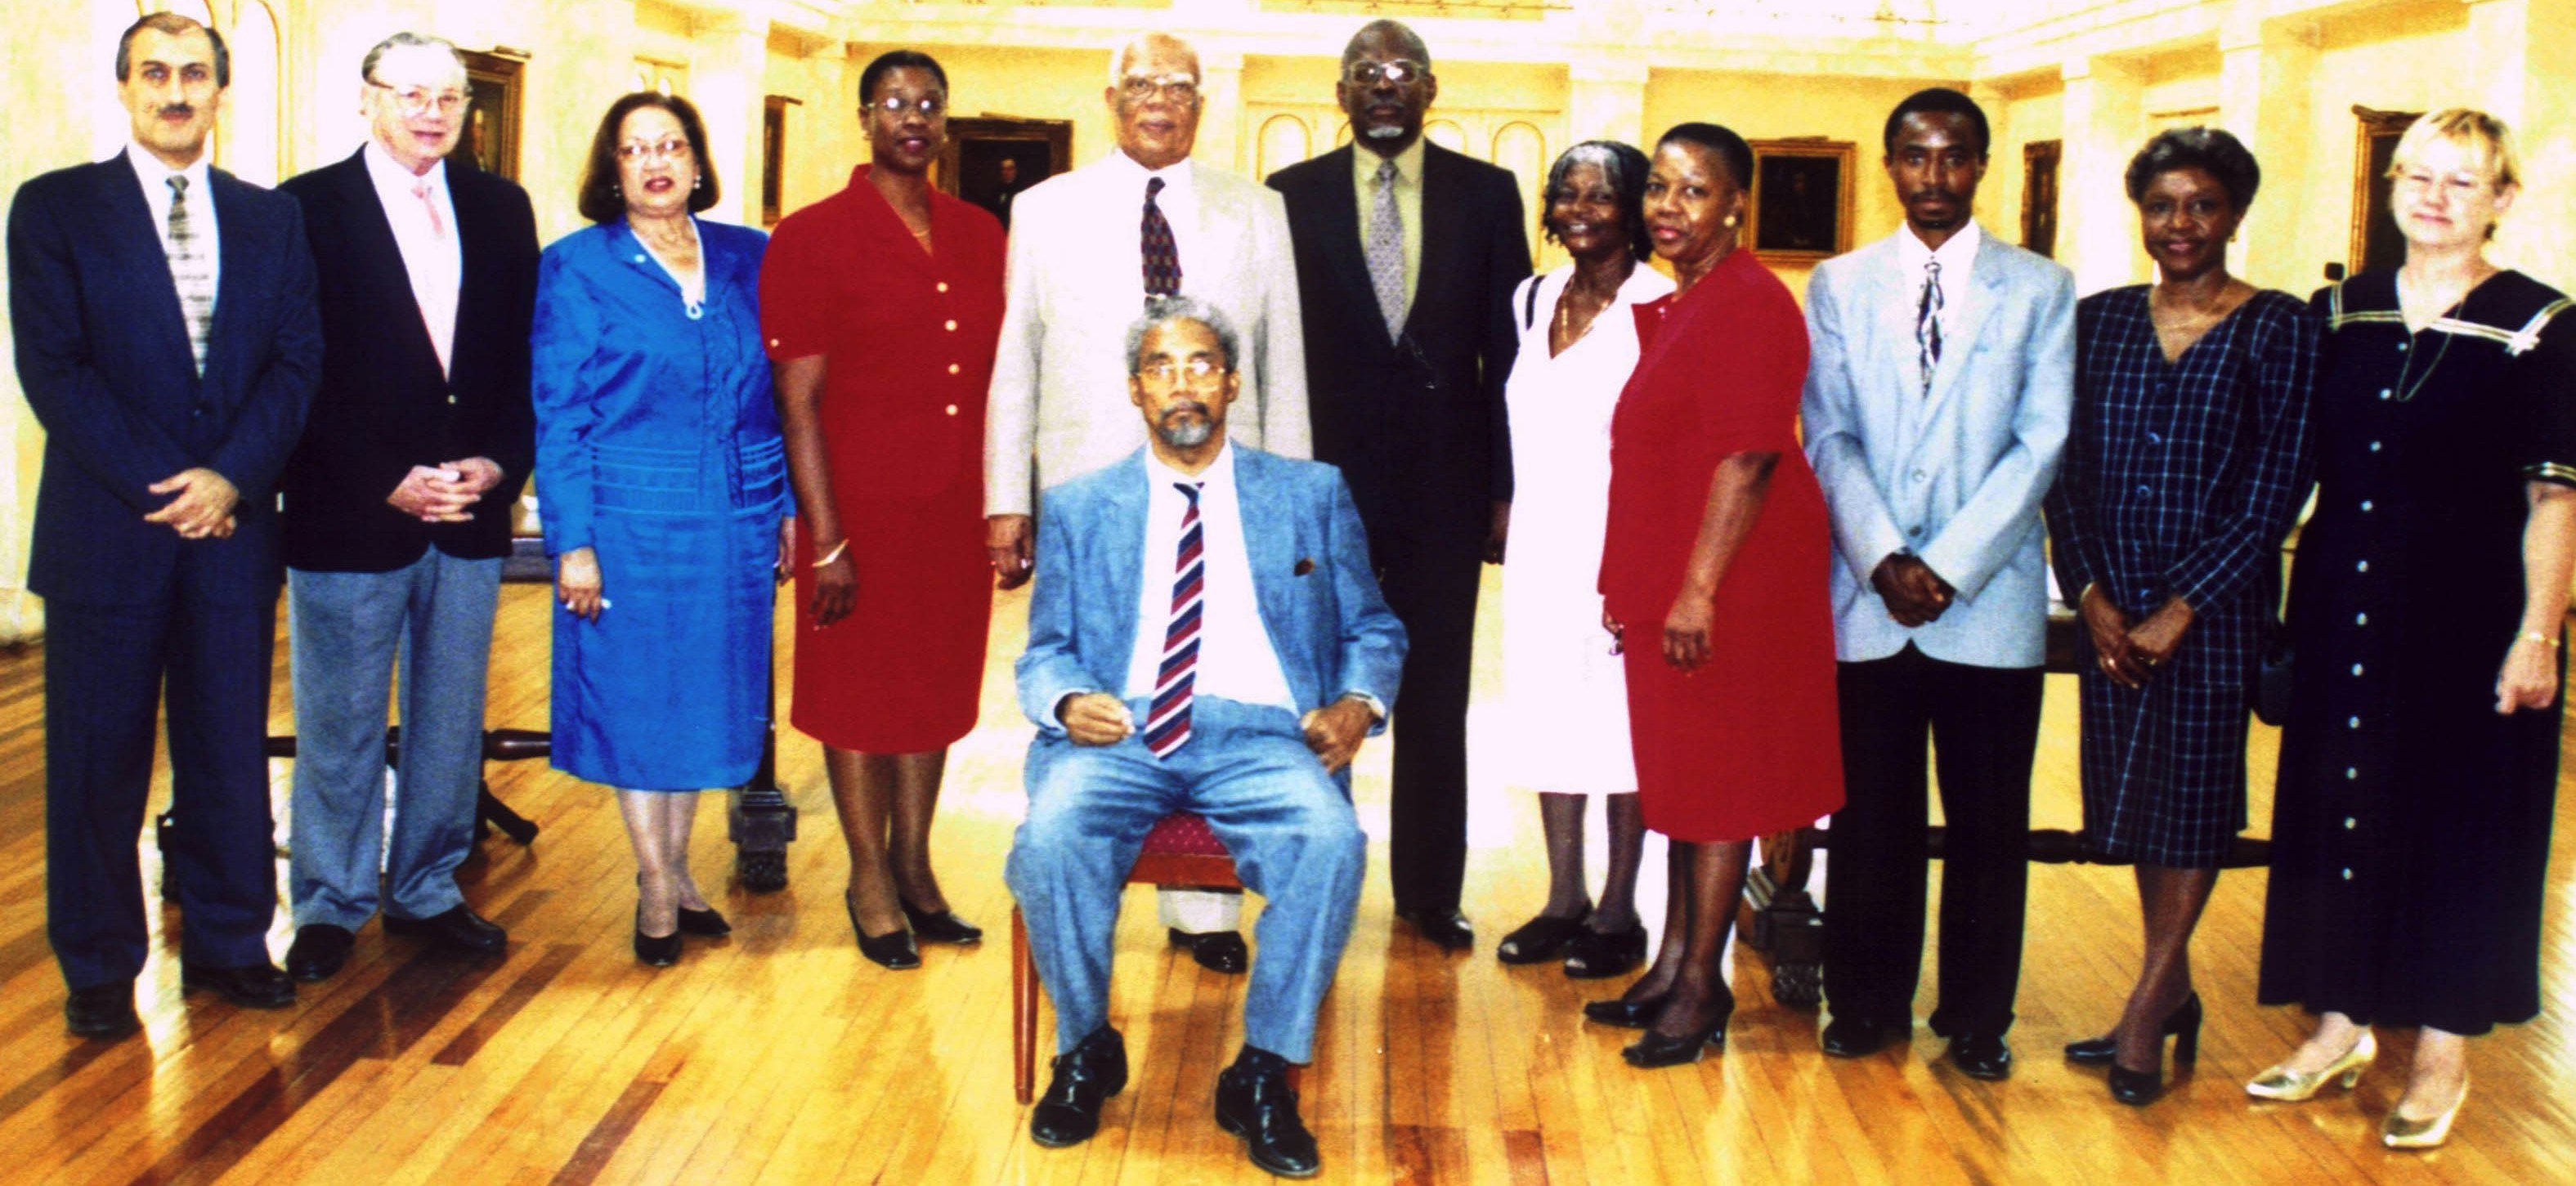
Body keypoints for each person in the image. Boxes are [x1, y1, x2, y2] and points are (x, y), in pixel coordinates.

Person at [1006, 299, 1402, 1178]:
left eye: (1199, 364)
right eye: (1160, 365)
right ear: (1136, 391)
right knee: (1052, 834)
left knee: (1328, 839)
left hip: (1263, 733)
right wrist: (1067, 699)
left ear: (1230, 382)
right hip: (1123, 729)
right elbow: (1046, 648)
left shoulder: (1309, 493)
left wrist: (1358, 704)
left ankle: (1262, 1071)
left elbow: (1373, 627)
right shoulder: (1080, 505)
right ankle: (1086, 1045)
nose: (1180, 381)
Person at [2252, 109, 2576, 1150]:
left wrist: (2539, 634)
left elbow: (2555, 500)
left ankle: (2440, 1054)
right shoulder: (2338, 311)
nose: (2434, 199)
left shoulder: (2542, 324)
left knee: (2462, 832)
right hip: (2344, 607)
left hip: (2470, 625)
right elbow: (2288, 468)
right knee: (2339, 809)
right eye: (2416, 178)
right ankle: (2338, 1026)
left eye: (2462, 182)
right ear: (2392, 188)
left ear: (2502, 200)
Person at [9, 11, 320, 1036]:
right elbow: (56, 369)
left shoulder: (271, 219)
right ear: (125, 87)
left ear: (221, 90)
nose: (176, 90)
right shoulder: (55, 210)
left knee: (228, 745)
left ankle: (234, 940)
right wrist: (174, 483)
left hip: (234, 533)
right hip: (109, 531)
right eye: (156, 72)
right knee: (97, 758)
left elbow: (294, 365)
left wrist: (229, 478)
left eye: (195, 73)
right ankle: (99, 962)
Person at [985, 32, 1309, 973]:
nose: (1158, 100)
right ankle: (1080, 882)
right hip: (1091, 500)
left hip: (1226, 492)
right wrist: (1007, 498)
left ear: (1200, 102)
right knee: (1093, 688)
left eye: (1177, 85)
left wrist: (1293, 504)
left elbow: (1279, 361)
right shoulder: (1044, 210)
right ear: (1110, 97)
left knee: (1215, 682)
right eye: (1140, 85)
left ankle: (1203, 909)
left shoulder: (1258, 211)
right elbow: (1017, 362)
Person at [1800, 87, 2074, 1081]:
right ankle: (1864, 1000)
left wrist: (1947, 565)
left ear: (1981, 164)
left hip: (1986, 600)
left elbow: (2039, 442)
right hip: (1867, 600)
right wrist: (1881, 555)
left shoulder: (2040, 287)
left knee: (1987, 822)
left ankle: (1975, 1015)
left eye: (1954, 157)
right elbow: (1826, 431)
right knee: (1869, 817)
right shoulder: (1839, 284)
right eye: (1914, 157)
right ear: (1889, 164)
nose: (1934, 178)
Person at [2041, 127, 2318, 1105]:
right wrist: (2092, 597)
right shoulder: (2100, 321)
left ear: (2234, 213)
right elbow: (2062, 472)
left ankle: (2147, 1008)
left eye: (2201, 205)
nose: (2180, 224)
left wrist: (2183, 607)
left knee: (2195, 806)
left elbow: (2276, 487)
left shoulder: (2279, 326)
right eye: (2162, 206)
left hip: (2215, 614)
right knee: (2136, 806)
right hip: (2112, 608)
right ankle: (2173, 985)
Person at [274, 33, 538, 981]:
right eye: (410, 94)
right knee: (340, 720)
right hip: (350, 511)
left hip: (468, 510)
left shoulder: (502, 209)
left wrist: (498, 461)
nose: (432, 114)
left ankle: (426, 884)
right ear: (368, 100)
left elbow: (519, 365)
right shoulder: (302, 211)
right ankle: (330, 901)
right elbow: (294, 371)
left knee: (448, 713)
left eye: (450, 98)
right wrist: (385, 471)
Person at [1579, 124, 1843, 1066]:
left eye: (1695, 191)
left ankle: (1701, 987)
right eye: (1658, 186)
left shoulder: (1747, 301)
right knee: (1684, 779)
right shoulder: (1690, 297)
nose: (1667, 206)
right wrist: (1636, 583)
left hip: (1734, 579)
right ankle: (1672, 960)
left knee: (1722, 786)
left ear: (1737, 203)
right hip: (1681, 573)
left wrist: (1695, 592)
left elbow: (1748, 454)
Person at [1268, 19, 1530, 951]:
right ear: (1338, 92)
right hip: (1320, 493)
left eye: (1402, 72)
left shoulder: (1487, 194)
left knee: (1434, 691)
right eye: (1365, 73)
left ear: (1430, 89)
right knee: (1312, 682)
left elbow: (1509, 359)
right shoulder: (1287, 196)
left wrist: (1507, 488)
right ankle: (1311, 871)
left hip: (1445, 489)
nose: (1384, 86)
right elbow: (1272, 354)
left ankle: (1426, 890)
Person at [764, 51, 1005, 969]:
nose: (914, 116)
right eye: (894, 103)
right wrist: (827, 539)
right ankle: (868, 874)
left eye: (929, 104)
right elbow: (799, 401)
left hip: (952, 505)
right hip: (852, 505)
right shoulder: (815, 236)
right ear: (864, 118)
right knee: (857, 690)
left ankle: (915, 861)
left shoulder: (981, 231)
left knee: (936, 683)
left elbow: (997, 379)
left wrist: (1004, 508)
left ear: (945, 121)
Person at [533, 92, 786, 967]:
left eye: (670, 144)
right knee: (640, 700)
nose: (655, 162)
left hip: (736, 516)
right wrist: (574, 541)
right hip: (627, 520)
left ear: (698, 158)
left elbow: (778, 398)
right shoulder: (576, 266)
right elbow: (559, 413)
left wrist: (786, 505)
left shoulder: (749, 256)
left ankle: (679, 871)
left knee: (705, 698)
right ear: (611, 169)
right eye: (634, 149)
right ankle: (652, 881)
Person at [1492, 141, 1670, 978]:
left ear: (1636, 206)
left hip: (1624, 548)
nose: (1580, 209)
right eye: (1567, 193)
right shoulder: (1531, 299)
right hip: (1539, 546)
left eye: (1602, 195)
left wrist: (1647, 565)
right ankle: (1563, 896)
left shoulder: (1662, 304)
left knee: (1622, 726)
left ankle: (1618, 905)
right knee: (1548, 715)